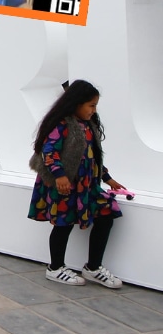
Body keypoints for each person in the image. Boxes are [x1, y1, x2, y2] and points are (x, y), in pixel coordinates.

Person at [29, 80, 125, 288]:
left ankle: (93, 267)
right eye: (91, 105)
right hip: (64, 186)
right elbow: (49, 152)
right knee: (63, 224)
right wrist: (60, 176)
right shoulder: (62, 125)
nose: (94, 110)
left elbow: (93, 157)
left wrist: (107, 178)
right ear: (76, 103)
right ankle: (55, 268)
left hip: (86, 186)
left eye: (95, 105)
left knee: (107, 212)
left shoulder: (88, 125)